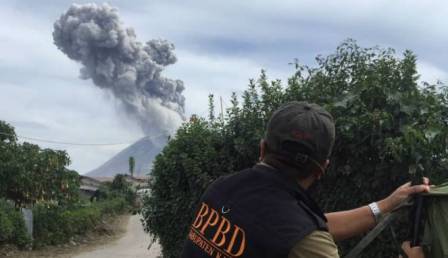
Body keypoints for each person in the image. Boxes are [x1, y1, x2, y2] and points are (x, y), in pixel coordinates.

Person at [181, 101, 429, 258]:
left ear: (262, 148)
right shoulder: (303, 241)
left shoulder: (222, 188)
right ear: (322, 169)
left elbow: (303, 229)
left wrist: (386, 205)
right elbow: (301, 236)